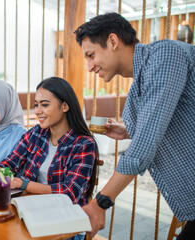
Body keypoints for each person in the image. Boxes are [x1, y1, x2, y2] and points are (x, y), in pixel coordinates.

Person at [74, 12, 195, 239]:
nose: (89, 66)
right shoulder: (140, 85)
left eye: (91, 55)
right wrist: (130, 131)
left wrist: (99, 203)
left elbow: (146, 145)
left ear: (112, 41)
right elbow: (162, 125)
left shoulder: (165, 56)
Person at [0, 77, 99, 208]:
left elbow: (70, 192)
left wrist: (21, 183)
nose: (37, 111)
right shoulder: (36, 133)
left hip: (64, 213)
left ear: (65, 106)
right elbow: (11, 163)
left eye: (45, 104)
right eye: (36, 104)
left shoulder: (84, 144)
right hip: (31, 207)